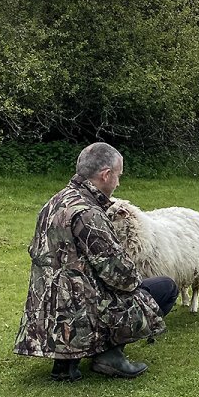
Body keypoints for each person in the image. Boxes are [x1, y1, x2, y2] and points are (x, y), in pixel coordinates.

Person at [14, 142, 179, 381]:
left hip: (47, 319)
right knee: (164, 287)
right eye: (118, 176)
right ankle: (109, 355)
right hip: (82, 315)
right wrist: (135, 281)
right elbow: (119, 274)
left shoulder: (53, 203)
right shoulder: (89, 213)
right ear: (106, 175)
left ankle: (64, 364)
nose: (118, 183)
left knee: (73, 289)